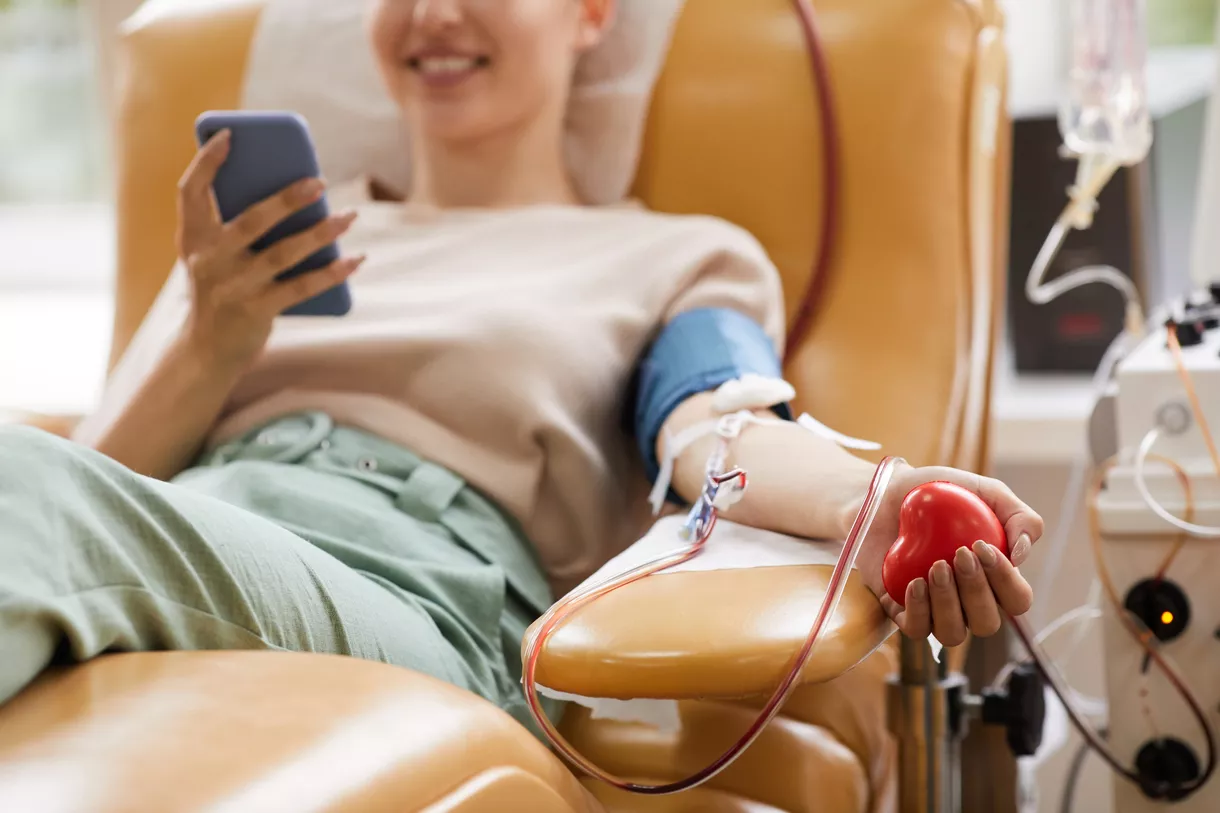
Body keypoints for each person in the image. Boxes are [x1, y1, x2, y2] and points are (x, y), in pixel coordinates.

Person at [0, 0, 1042, 738]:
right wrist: (206, 342)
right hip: (181, 542)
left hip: (408, 591)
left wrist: (878, 499)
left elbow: (715, 428)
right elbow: (89, 498)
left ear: (589, 12)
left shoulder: (672, 255)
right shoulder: (260, 246)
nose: (434, 12)